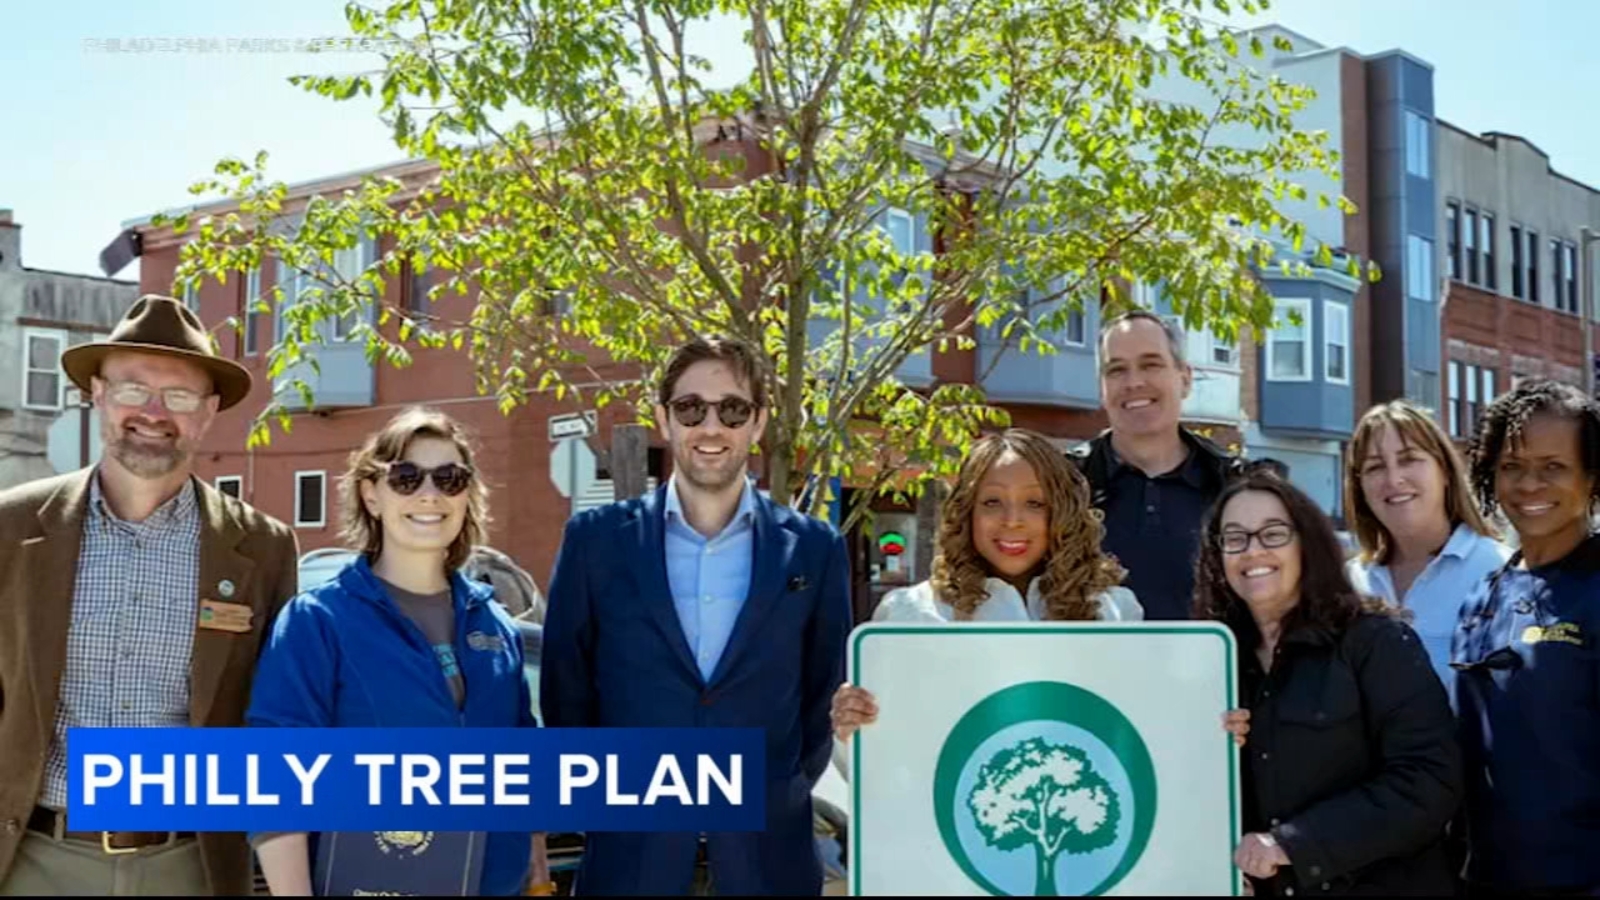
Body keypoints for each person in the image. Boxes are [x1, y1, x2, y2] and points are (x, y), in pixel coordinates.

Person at [0, 295, 300, 896]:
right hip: (33, 859)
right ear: (97, 393)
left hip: (189, 866)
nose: (154, 412)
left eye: (180, 396)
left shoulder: (263, 550)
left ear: (210, 410)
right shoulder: (12, 527)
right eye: (133, 388)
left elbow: (276, 722)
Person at [540, 335, 853, 896]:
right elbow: (567, 697)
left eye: (732, 409)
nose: (711, 427)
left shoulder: (815, 549)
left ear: (757, 423)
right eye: (691, 408)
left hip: (767, 860)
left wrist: (773, 790)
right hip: (630, 859)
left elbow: (818, 701)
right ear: (664, 418)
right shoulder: (595, 542)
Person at [246, 407, 549, 896]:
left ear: (466, 494)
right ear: (372, 494)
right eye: (406, 477)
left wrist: (538, 874)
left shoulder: (495, 623)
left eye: (449, 478)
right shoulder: (319, 620)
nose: (429, 494)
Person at [830, 428, 1251, 748]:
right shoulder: (913, 614)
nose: (1012, 520)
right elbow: (882, 765)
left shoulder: (1114, 611)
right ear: (966, 513)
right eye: (992, 502)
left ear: (1062, 513)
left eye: (1035, 503)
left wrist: (1208, 729)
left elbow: (1143, 731)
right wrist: (851, 730)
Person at [1194, 466, 1461, 895]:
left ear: (1307, 544)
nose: (1252, 551)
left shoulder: (1375, 642)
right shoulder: (1214, 665)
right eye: (1235, 537)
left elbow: (1429, 782)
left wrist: (1292, 844)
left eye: (1273, 533)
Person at [1451, 378, 1600, 895]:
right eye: (1512, 467)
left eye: (1553, 467)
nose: (1528, 485)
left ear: (1592, 477)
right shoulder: (1480, 600)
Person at [1068, 309, 1256, 620]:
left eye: (1150, 364)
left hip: (1214, 667)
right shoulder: (1065, 485)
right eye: (1116, 370)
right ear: (1102, 388)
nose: (1134, 382)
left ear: (1184, 379)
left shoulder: (1236, 486)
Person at [1342, 400, 1511, 705]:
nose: (1394, 480)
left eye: (1409, 459)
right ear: (1360, 487)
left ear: (1444, 470)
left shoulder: (1502, 573)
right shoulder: (1348, 584)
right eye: (1375, 466)